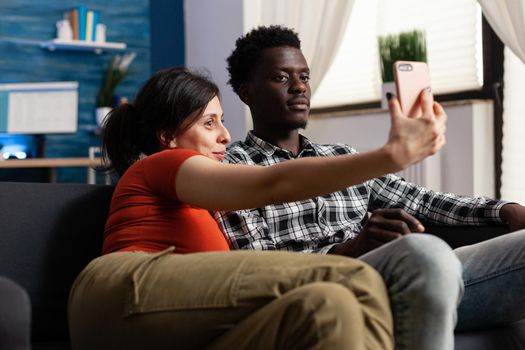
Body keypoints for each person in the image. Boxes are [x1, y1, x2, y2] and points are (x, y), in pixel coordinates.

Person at [67, 66, 446, 350]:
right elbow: (273, 183)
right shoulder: (158, 164)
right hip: (122, 291)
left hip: (179, 328)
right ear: (167, 136)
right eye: (209, 122)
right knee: (353, 279)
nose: (226, 136)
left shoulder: (208, 209)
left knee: (327, 308)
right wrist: (389, 156)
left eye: (224, 121)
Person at [216, 25, 525, 350]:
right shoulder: (232, 167)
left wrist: (505, 209)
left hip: (411, 279)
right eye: (281, 78)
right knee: (424, 250)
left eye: (304, 77)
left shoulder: (341, 157)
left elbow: (425, 201)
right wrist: (353, 248)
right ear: (247, 92)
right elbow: (257, 265)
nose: (298, 88)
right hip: (333, 289)